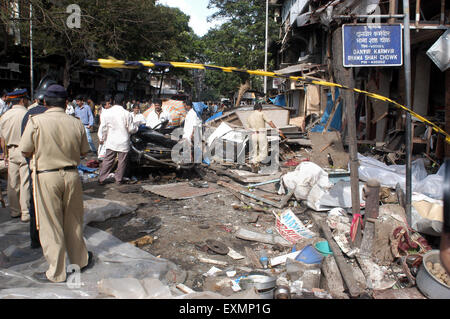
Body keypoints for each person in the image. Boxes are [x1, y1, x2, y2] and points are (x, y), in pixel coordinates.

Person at [19, 84, 94, 283]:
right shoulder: (75, 122)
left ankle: (57, 272)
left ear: (44, 102)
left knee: (50, 224)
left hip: (47, 176)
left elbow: (25, 150)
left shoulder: (36, 121)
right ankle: (80, 260)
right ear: (66, 102)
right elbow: (84, 152)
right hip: (71, 175)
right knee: (74, 220)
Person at [21, 90, 47, 249]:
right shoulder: (67, 119)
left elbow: (25, 149)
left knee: (35, 205)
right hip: (58, 170)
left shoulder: (29, 116)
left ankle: (35, 240)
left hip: (36, 166)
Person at [0, 89, 31, 222]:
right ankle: (25, 212)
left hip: (10, 151)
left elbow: (2, 139)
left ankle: (14, 211)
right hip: (24, 150)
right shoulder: (27, 114)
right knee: (25, 182)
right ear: (22, 100)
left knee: (12, 183)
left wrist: (5, 153)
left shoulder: (5, 116)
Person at [98, 94, 138, 185]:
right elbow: (131, 129)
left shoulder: (106, 113)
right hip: (123, 142)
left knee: (108, 160)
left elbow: (103, 128)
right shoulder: (127, 114)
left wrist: (102, 138)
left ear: (113, 101)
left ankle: (102, 178)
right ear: (124, 102)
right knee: (122, 161)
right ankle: (118, 179)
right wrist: (137, 128)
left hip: (111, 141)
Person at [246, 103, 285, 172]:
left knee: (256, 153)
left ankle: (255, 169)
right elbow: (270, 122)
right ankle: (253, 161)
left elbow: (247, 128)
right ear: (260, 109)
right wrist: (277, 129)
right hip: (261, 135)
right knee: (263, 154)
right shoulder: (261, 114)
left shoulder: (249, 116)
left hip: (253, 135)